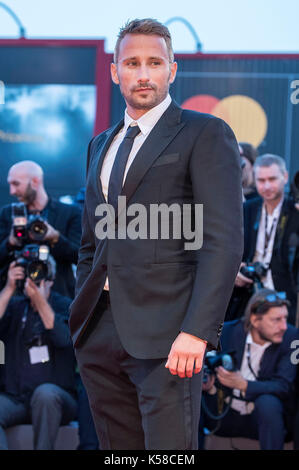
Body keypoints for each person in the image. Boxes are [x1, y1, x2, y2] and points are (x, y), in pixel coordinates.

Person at [69, 18, 243, 450]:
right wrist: (82, 314)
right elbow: (92, 241)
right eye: (131, 63)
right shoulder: (100, 144)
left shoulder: (205, 133)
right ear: (115, 72)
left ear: (172, 69)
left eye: (154, 62)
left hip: (170, 336)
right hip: (99, 331)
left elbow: (222, 242)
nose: (143, 74)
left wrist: (197, 331)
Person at [199, 288, 299, 450]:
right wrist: (207, 381)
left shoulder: (292, 337)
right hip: (223, 409)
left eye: (285, 318)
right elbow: (208, 364)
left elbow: (284, 386)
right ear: (255, 320)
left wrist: (244, 384)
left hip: (261, 415)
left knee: (268, 403)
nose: (283, 326)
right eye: (276, 320)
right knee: (192, 395)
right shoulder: (228, 331)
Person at [0, 259, 77, 450]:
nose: (33, 280)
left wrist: (40, 301)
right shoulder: (16, 305)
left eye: (39, 274)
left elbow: (65, 339)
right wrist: (9, 288)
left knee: (45, 395)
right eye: (29, 274)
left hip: (58, 398)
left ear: (50, 280)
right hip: (17, 398)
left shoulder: (65, 305)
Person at [226, 154, 299, 324]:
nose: (266, 186)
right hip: (248, 299)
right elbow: (227, 248)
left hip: (287, 300)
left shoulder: (295, 211)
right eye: (261, 180)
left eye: (272, 179)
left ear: (285, 177)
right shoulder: (246, 209)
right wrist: (234, 270)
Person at [0, 160, 82, 298]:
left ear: (35, 181)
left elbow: (81, 258)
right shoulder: (7, 214)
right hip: (15, 300)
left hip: (58, 298)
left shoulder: (69, 213)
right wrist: (10, 242)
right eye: (10, 184)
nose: (12, 191)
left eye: (16, 184)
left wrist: (55, 238)